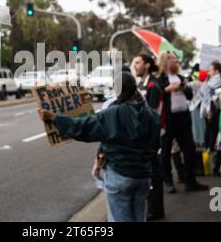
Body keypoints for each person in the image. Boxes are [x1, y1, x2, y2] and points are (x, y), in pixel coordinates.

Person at [39, 72, 159, 222]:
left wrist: (55, 118)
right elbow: (155, 146)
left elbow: (83, 127)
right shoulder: (152, 114)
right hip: (144, 177)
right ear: (135, 89)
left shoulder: (112, 113)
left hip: (120, 175)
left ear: (117, 90)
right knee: (139, 218)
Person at [157, 52, 209, 193]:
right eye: (173, 59)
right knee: (166, 151)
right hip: (168, 119)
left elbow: (190, 95)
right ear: (166, 62)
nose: (176, 61)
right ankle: (168, 181)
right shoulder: (161, 79)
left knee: (189, 149)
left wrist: (185, 87)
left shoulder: (180, 77)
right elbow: (157, 95)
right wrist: (168, 89)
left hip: (183, 118)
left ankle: (190, 180)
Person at [133, 53, 165, 221]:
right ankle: (153, 208)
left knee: (153, 173)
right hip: (147, 136)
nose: (135, 66)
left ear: (146, 65)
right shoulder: (142, 84)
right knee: (150, 172)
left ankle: (156, 210)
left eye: (137, 62)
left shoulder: (152, 85)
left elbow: (150, 114)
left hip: (151, 137)